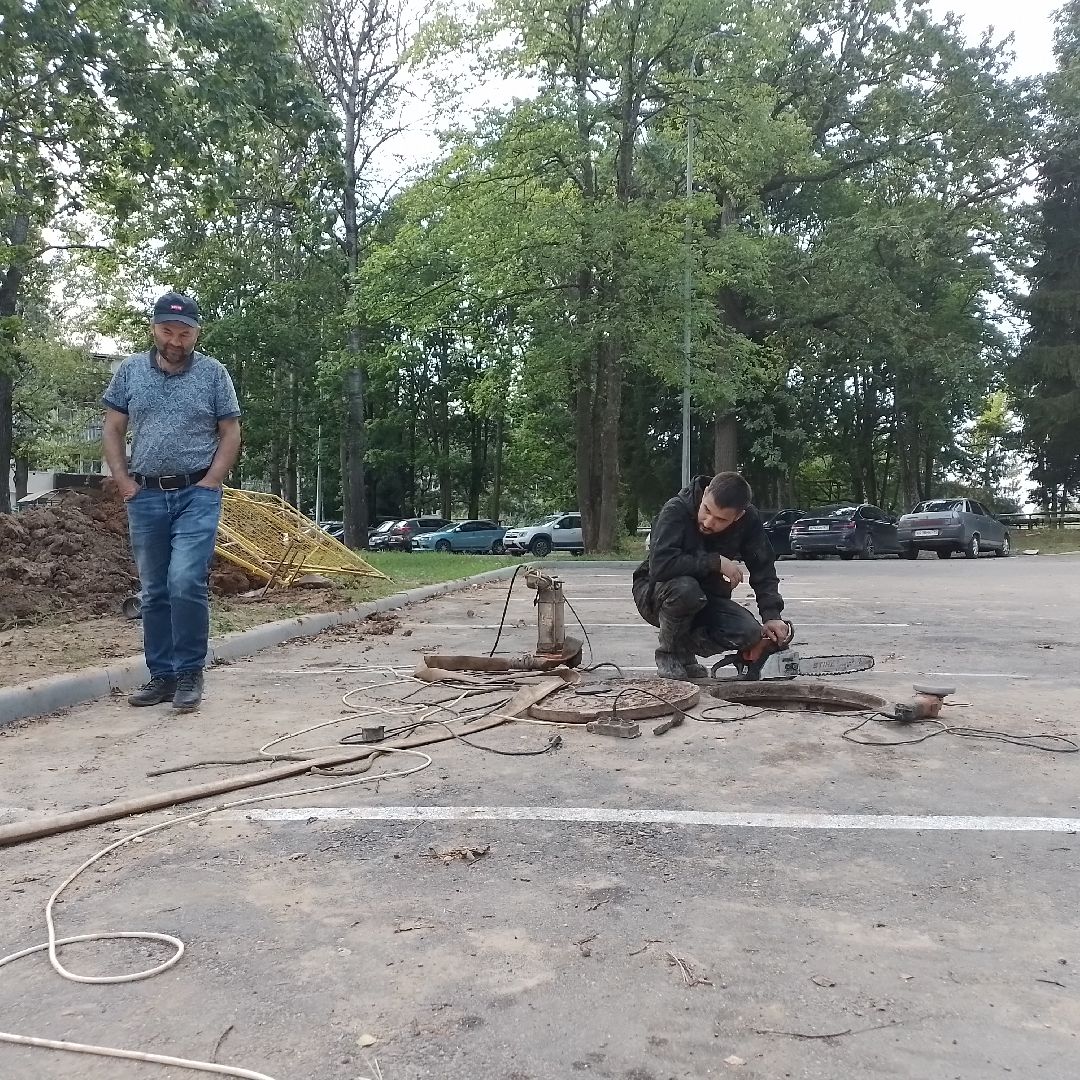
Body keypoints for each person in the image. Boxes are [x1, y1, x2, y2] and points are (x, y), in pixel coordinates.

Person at [101, 292, 242, 711]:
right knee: (155, 590)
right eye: (168, 331)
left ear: (196, 333)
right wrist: (123, 480)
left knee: (185, 581)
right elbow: (112, 428)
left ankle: (189, 673)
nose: (175, 341)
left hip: (195, 494)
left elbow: (230, 432)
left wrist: (213, 480)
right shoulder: (129, 372)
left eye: (185, 333)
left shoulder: (214, 374)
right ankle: (161, 676)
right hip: (144, 495)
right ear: (154, 328)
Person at [632, 472, 789, 679]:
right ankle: (669, 655)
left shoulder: (748, 520)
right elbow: (660, 565)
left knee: (750, 633)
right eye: (707, 510)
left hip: (705, 597)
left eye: (720, 519)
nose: (708, 522)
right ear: (705, 493)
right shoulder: (676, 509)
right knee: (686, 590)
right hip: (656, 593)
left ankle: (684, 652)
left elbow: (764, 568)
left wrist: (772, 616)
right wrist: (715, 562)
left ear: (738, 516)